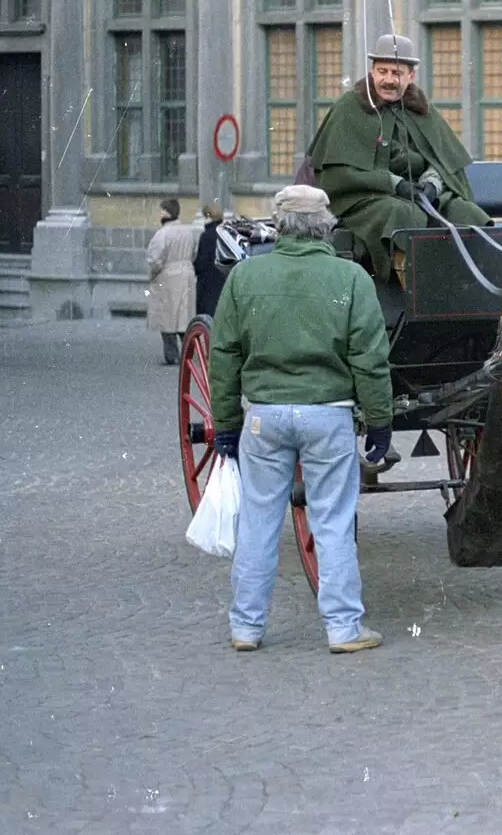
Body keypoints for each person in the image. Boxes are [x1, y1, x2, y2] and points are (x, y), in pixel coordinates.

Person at [208, 184, 392, 654]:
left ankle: (246, 627)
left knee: (258, 522)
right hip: (327, 417)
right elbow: (369, 360)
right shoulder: (351, 279)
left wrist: (226, 423)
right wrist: (379, 422)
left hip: (263, 419)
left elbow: (224, 357)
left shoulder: (245, 278)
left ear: (279, 224)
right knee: (331, 522)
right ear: (326, 226)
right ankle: (344, 628)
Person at [308, 33, 490, 286]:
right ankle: (413, 290)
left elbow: (442, 161)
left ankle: (467, 290)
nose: (389, 80)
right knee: (403, 214)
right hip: (363, 197)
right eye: (383, 71)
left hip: (421, 195)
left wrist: (432, 184)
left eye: (397, 73)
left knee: (465, 212)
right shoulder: (348, 107)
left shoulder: (420, 109)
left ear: (410, 76)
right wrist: (394, 183)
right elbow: (338, 175)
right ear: (372, 71)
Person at [146, 198, 197, 364]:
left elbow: (155, 260)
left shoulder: (162, 234)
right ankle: (188, 352)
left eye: (161, 210)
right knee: (184, 316)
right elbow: (194, 253)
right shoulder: (188, 231)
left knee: (166, 318)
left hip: (168, 276)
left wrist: (152, 274)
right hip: (187, 274)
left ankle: (171, 355)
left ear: (166, 212)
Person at [193, 201, 227, 317]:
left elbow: (201, 262)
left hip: (207, 282)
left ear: (208, 216)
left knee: (207, 314)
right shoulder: (226, 233)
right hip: (223, 278)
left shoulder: (207, 235)